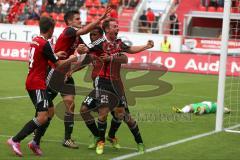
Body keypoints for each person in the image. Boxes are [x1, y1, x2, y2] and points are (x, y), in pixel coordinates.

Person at [80, 18, 154, 155]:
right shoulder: (99, 43)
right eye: (115, 26)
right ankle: (100, 141)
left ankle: (138, 142)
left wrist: (145, 46)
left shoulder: (119, 43)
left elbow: (130, 51)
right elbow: (87, 49)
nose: (117, 28)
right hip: (102, 82)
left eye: (117, 26)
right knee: (102, 112)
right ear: (107, 29)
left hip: (117, 84)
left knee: (123, 115)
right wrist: (81, 49)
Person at [6, 16, 78, 157]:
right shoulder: (45, 44)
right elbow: (57, 65)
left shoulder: (36, 40)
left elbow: (42, 57)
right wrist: (72, 59)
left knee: (50, 111)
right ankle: (15, 140)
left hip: (34, 80)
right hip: (37, 83)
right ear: (50, 29)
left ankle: (35, 142)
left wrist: (54, 54)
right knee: (42, 116)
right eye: (53, 28)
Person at [46, 8, 111, 149]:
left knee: (70, 104)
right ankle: (36, 131)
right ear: (69, 21)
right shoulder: (69, 30)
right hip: (55, 72)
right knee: (46, 105)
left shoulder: (77, 37)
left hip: (65, 73)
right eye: (77, 19)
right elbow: (84, 31)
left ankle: (67, 139)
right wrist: (100, 19)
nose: (80, 21)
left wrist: (74, 68)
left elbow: (87, 55)